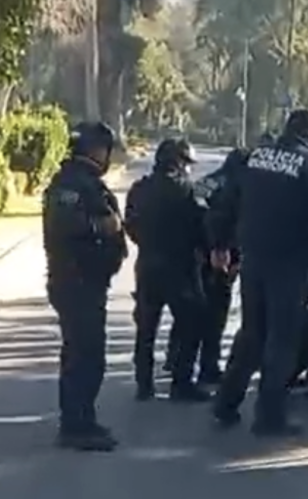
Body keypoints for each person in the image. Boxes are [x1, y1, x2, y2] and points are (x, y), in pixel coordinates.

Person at [208, 109, 308, 436]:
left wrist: (220, 243)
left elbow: (226, 200)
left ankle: (226, 402)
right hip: (290, 264)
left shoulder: (256, 158)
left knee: (252, 332)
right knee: (282, 339)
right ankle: (269, 417)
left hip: (253, 258)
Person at [43, 121, 127, 451]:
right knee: (83, 355)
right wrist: (101, 226)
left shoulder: (89, 182)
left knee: (88, 354)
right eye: (105, 149)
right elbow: (63, 226)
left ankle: (83, 418)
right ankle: (75, 426)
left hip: (89, 282)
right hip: (75, 281)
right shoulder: (70, 184)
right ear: (93, 149)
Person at [124, 138, 210, 403]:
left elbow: (131, 225)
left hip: (148, 265)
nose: (189, 169)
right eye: (187, 164)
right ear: (178, 163)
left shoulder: (139, 189)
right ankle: (181, 383)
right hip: (181, 268)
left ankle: (144, 384)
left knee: (146, 328)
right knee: (191, 324)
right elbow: (203, 230)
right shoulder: (188, 192)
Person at [163, 148, 250, 384]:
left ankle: (175, 358)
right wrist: (224, 251)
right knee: (215, 316)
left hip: (196, 254)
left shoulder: (206, 182)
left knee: (192, 314)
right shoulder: (236, 184)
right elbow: (226, 221)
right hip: (219, 256)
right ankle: (208, 367)